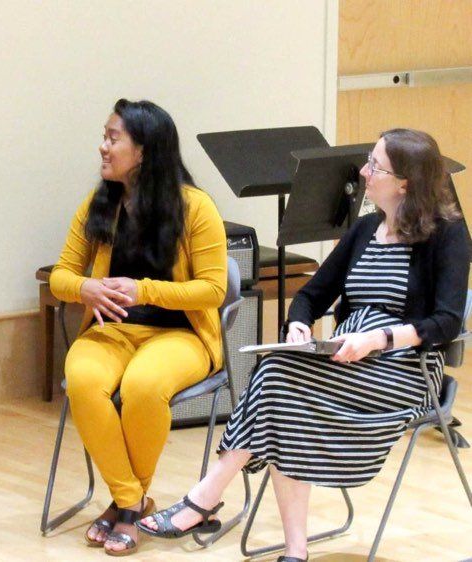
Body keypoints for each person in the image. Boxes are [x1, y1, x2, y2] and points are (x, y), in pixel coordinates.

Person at [137, 128, 470, 561]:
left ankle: (205, 501)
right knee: (281, 384)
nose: (364, 172)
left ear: (404, 181)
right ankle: (284, 546)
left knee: (277, 381)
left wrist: (380, 338)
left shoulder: (447, 234)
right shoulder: (367, 227)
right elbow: (313, 294)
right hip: (346, 356)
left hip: (403, 367)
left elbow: (446, 321)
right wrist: (297, 326)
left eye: (375, 166)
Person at [49, 98, 227, 556]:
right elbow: (61, 275)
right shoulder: (100, 203)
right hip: (112, 332)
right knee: (83, 381)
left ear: (144, 150)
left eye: (113, 138)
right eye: (105, 137)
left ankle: (122, 508)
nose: (102, 147)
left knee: (144, 386)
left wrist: (145, 290)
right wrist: (86, 288)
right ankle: (132, 503)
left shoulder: (195, 207)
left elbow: (213, 290)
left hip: (182, 335)